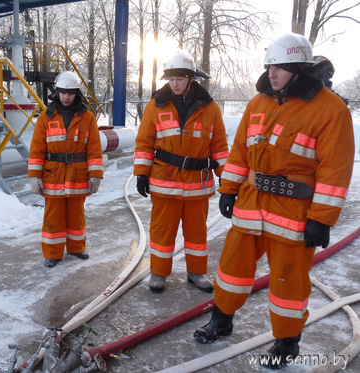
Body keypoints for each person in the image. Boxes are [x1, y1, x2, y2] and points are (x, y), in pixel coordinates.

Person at [192, 33, 355, 369]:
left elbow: (335, 168)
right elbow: (240, 151)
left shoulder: (330, 109)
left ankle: (286, 344)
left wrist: (322, 218)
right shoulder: (258, 102)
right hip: (251, 206)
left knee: (288, 283)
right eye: (269, 66)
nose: (272, 73)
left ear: (298, 67)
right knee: (232, 270)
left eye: (280, 66)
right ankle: (221, 322)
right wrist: (229, 187)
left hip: (296, 213)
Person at [133, 50, 228, 293]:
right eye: (171, 79)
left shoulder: (210, 108)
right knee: (162, 232)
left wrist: (228, 183)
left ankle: (196, 273)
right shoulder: (156, 106)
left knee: (197, 234)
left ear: (191, 79)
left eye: (179, 79)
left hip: (198, 183)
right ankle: (158, 274)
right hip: (165, 181)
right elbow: (144, 143)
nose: (174, 84)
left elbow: (219, 148)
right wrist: (142, 174)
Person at [28, 71, 104, 268]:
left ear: (76, 93)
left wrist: (96, 175)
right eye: (63, 92)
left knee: (76, 215)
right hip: (53, 174)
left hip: (78, 175)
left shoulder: (87, 118)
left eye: (70, 92)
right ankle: (53, 253)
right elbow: (37, 149)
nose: (66, 96)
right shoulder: (46, 117)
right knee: (53, 217)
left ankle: (77, 248)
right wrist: (34, 176)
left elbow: (94, 149)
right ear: (57, 93)